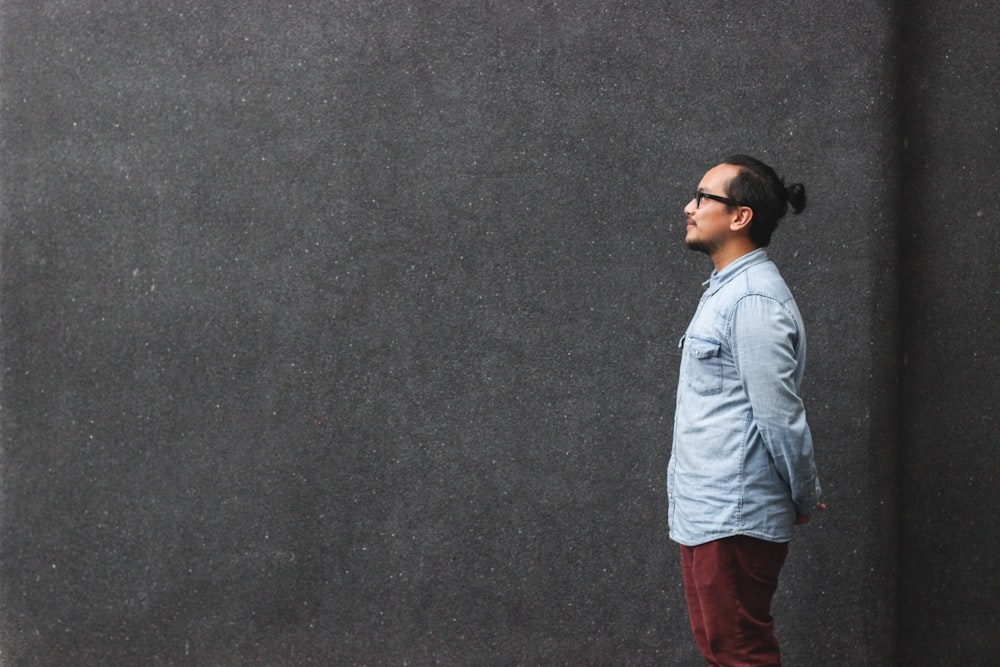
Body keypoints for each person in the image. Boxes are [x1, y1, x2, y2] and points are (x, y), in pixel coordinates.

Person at [667, 155, 823, 666]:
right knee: (722, 650)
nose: (689, 207)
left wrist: (803, 494)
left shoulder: (753, 300)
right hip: (707, 512)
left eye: (702, 197)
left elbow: (779, 415)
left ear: (740, 216)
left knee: (740, 654)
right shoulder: (726, 291)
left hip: (734, 515)